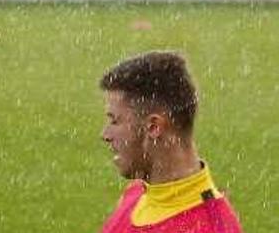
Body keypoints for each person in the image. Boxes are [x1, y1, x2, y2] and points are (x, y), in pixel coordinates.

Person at [99, 51, 243, 232]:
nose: (105, 134)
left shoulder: (209, 227)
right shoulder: (138, 195)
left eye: (114, 121)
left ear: (154, 127)